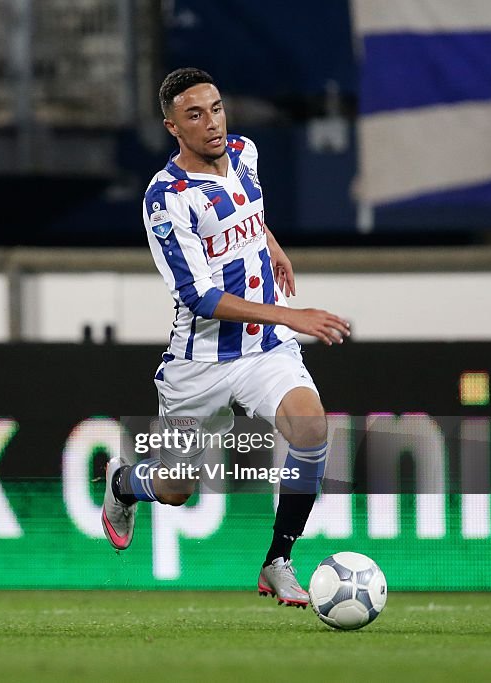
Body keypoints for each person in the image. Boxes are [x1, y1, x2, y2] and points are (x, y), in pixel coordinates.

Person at [101, 67, 351, 606]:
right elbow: (198, 296)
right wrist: (290, 315)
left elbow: (248, 212)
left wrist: (272, 244)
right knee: (175, 489)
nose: (211, 123)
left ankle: (278, 561)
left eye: (215, 108)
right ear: (172, 126)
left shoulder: (245, 151)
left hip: (263, 349)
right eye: (194, 114)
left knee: (310, 425)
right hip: (200, 363)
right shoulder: (165, 199)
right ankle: (123, 483)